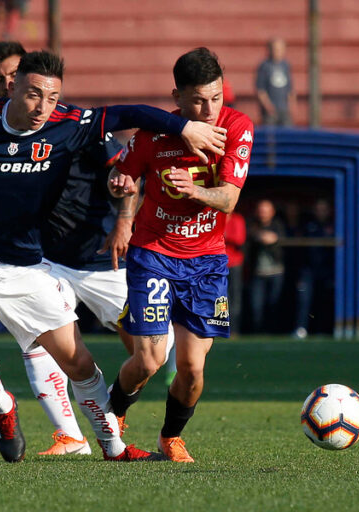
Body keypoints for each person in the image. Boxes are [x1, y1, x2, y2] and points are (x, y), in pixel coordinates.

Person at [0, 50, 227, 463]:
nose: (42, 108)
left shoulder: (67, 125)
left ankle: (113, 448)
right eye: (34, 95)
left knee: (81, 363)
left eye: (51, 98)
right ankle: (5, 408)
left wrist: (185, 126)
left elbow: (130, 112)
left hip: (25, 266)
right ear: (12, 87)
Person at [0, 41, 176, 456]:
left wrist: (125, 218)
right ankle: (72, 436)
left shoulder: (79, 126)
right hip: (44, 262)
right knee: (36, 343)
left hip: (101, 259)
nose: (7, 85)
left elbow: (126, 174)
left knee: (151, 356)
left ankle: (118, 415)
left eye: (14, 76)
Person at [107, 47, 253, 462]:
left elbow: (227, 200)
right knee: (150, 359)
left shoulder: (237, 126)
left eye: (216, 98)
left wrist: (194, 190)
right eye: (197, 100)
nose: (209, 109)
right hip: (153, 253)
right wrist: (121, 199)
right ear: (177, 98)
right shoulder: (153, 135)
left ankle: (170, 437)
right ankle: (112, 417)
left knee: (192, 369)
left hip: (207, 261)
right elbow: (125, 177)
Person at [293, 198, 335, 339]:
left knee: (323, 300)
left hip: (326, 270)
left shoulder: (333, 226)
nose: (321, 212)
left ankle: (322, 330)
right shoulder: (308, 226)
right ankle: (301, 328)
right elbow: (300, 251)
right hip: (308, 270)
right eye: (318, 209)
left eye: (323, 209)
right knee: (304, 299)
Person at [246, 199, 285, 333]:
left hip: (276, 272)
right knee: (256, 306)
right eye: (261, 211)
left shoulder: (278, 226)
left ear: (272, 212)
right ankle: (258, 332)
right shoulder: (252, 226)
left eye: (266, 211)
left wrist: (274, 240)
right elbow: (249, 240)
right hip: (258, 273)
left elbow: (282, 244)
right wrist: (259, 236)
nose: (263, 214)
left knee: (274, 305)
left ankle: (273, 332)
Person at [255, 37, 295, 127]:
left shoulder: (285, 65)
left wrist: (291, 105)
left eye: (281, 49)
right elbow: (261, 90)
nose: (278, 51)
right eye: (276, 49)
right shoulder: (264, 66)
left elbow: (290, 89)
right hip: (270, 111)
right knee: (270, 137)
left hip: (284, 109)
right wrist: (268, 106)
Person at [224, 211, 246, 335]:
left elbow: (239, 239)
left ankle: (234, 329)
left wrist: (225, 235)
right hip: (219, 264)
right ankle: (222, 326)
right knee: (222, 298)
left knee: (235, 297)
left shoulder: (237, 219)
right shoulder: (216, 216)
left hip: (235, 263)